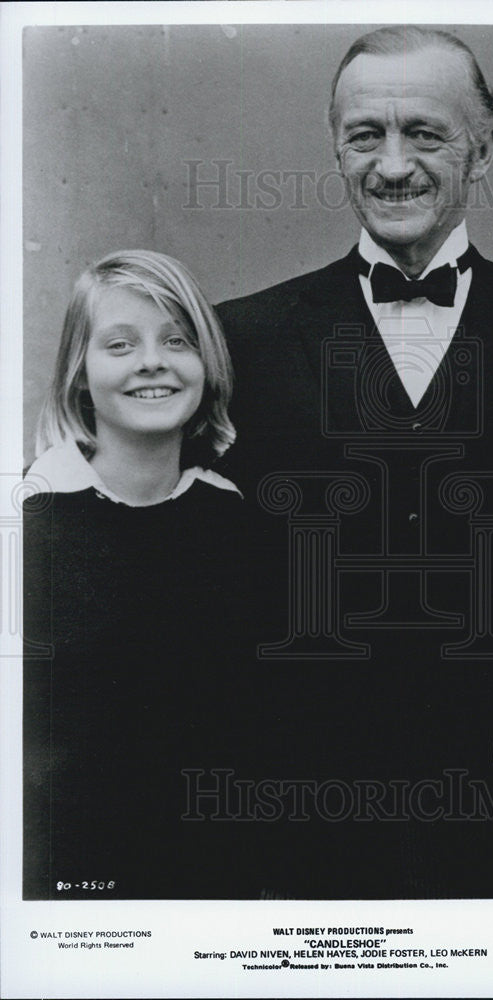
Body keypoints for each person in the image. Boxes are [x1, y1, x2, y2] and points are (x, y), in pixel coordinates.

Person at [214, 26, 493, 898]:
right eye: (365, 135)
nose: (392, 165)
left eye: (424, 133)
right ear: (336, 147)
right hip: (287, 815)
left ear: (482, 148)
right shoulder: (238, 339)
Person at [23, 250, 251, 899]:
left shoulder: (230, 522)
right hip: (64, 887)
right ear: (78, 374)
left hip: (206, 885)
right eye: (120, 344)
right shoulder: (29, 525)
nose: (152, 360)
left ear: (206, 365)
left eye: (176, 341)